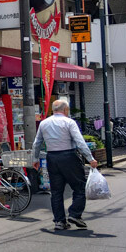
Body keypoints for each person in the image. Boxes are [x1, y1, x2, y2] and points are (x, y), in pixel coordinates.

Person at [32, 99, 97, 231]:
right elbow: (80, 141)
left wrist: (35, 158)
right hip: (69, 157)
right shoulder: (69, 122)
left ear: (53, 110)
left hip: (52, 158)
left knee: (56, 191)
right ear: (65, 110)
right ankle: (75, 214)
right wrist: (90, 158)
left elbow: (37, 143)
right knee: (79, 187)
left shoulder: (44, 123)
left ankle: (59, 221)